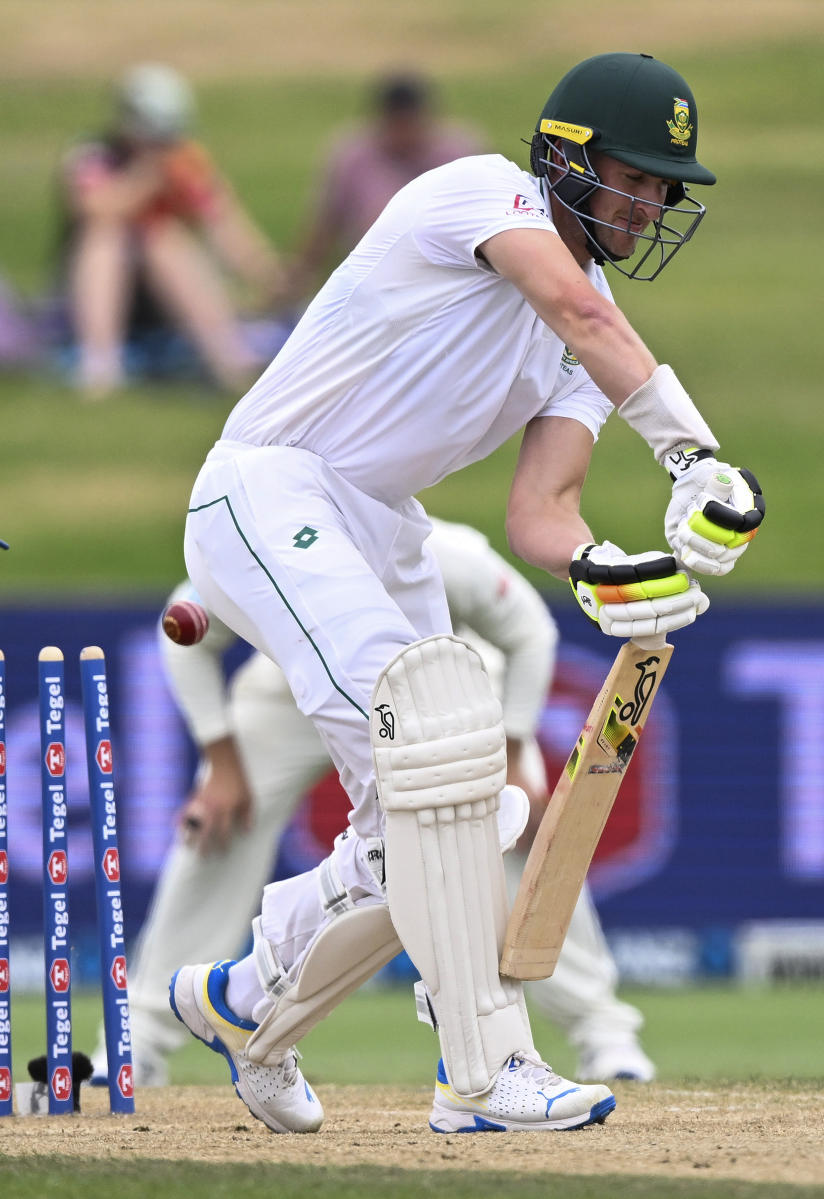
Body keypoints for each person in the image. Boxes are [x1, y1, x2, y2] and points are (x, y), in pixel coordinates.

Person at [174, 52, 765, 1136]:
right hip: (268, 484)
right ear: (566, 160)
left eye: (662, 187)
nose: (651, 202)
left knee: (436, 820)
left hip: (384, 525)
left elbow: (545, 514)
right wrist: (692, 456)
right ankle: (483, 1072)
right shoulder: (478, 192)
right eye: (635, 176)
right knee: (438, 767)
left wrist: (621, 575)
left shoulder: (587, 348)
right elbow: (579, 312)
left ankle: (243, 996)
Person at [91, 518, 654, 1087]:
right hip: (298, 694)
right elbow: (184, 634)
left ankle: (604, 1034)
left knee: (508, 827)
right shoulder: (275, 549)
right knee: (215, 827)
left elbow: (531, 630)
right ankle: (138, 1040)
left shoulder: (443, 554)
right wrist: (223, 763)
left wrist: (512, 748)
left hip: (437, 696)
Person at [58, 63, 285, 397]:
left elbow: (223, 223)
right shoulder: (93, 155)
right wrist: (149, 177)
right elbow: (96, 208)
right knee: (106, 237)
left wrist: (270, 275)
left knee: (163, 240)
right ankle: (100, 365)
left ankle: (228, 360)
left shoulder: (185, 162)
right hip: (98, 287)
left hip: (162, 296)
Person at [281, 72, 485, 300]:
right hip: (375, 282)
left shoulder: (457, 153)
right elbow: (325, 228)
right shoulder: (355, 156)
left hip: (449, 281)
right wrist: (295, 280)